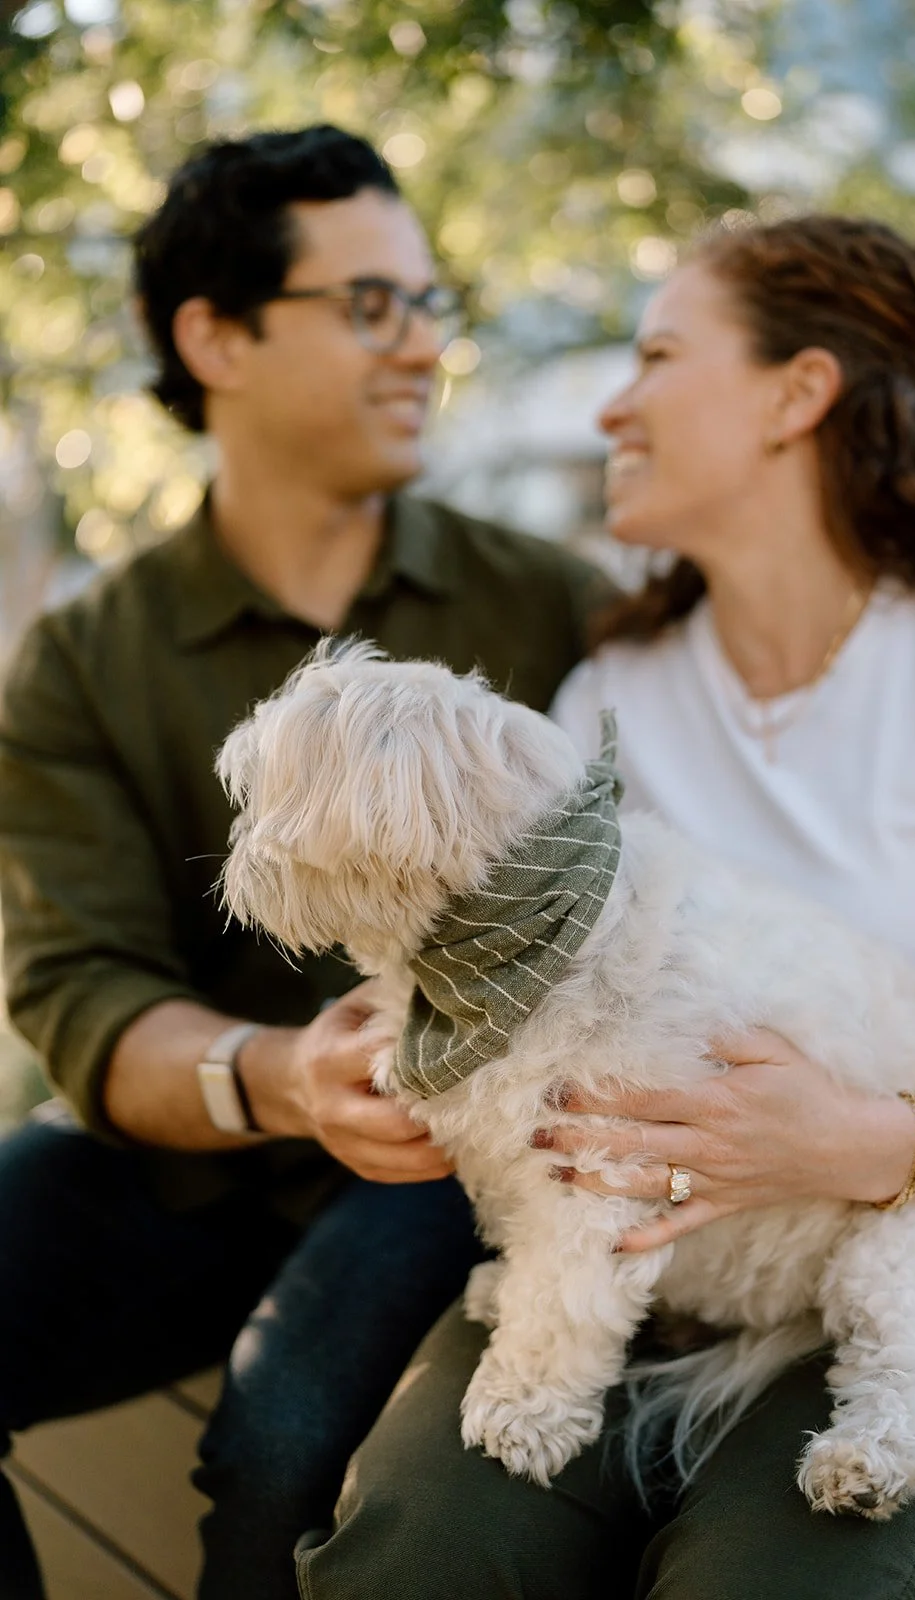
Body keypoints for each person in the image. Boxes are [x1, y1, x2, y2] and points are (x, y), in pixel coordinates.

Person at [295, 215, 915, 1600]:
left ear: (797, 392)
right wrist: (371, 1057)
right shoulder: (609, 701)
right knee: (418, 1550)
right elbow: (495, 973)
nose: (613, 405)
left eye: (656, 356)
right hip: (620, 1256)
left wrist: (847, 1139)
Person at [0, 125, 609, 1600]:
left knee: (285, 1456)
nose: (422, 347)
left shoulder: (553, 609)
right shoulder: (82, 662)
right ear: (214, 336)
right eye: (368, 305)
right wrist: (281, 1079)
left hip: (452, 1170)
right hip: (192, 1153)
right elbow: (80, 990)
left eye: (428, 304)